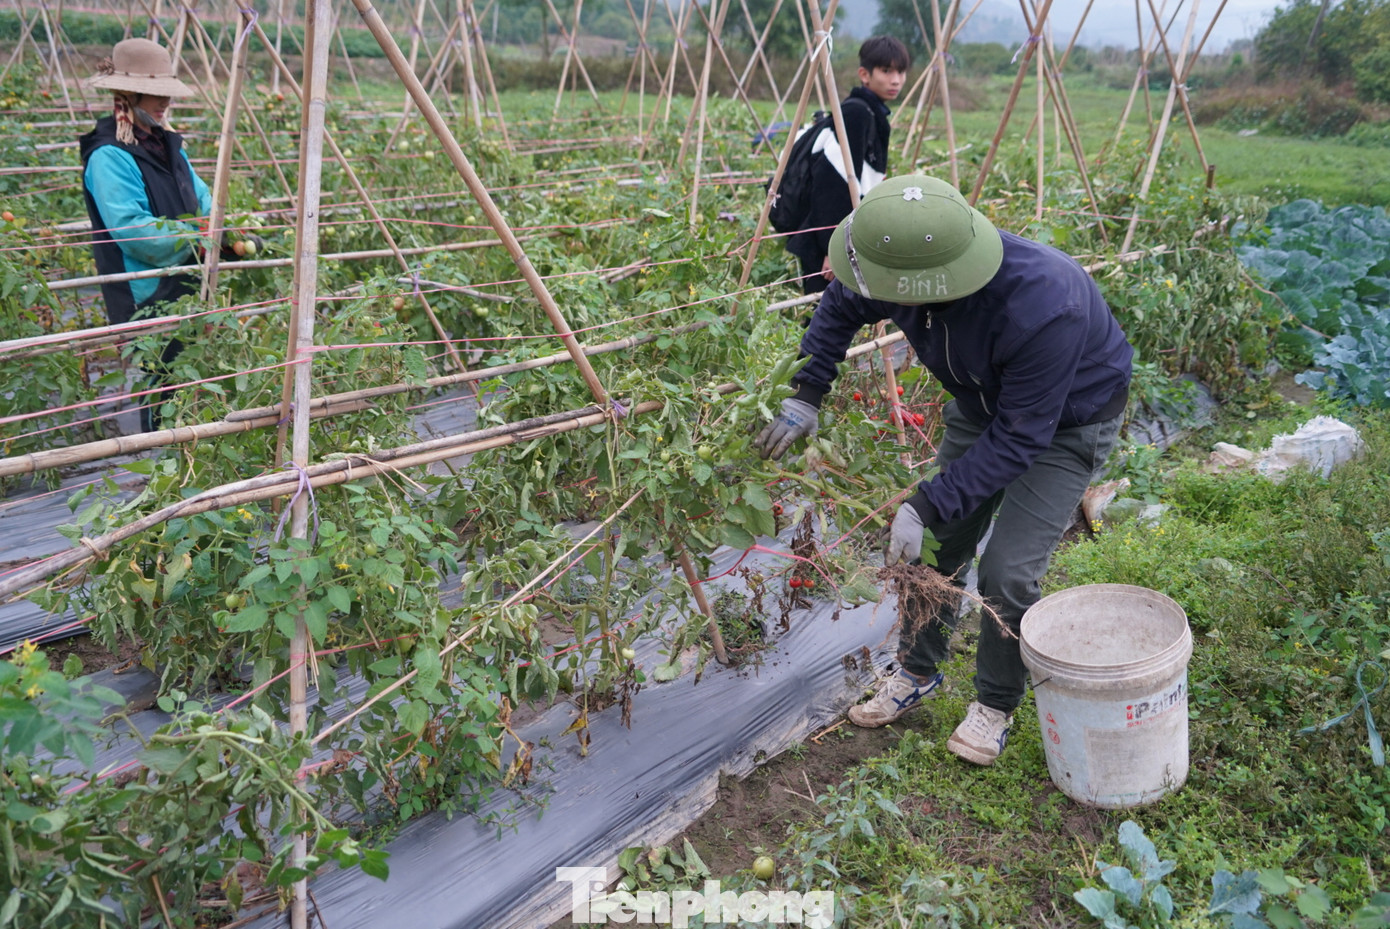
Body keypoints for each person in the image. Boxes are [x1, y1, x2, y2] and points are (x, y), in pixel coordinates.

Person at [754, 175, 1133, 766]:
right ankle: (914, 670)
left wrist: (924, 499)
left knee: (1008, 571)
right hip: (984, 406)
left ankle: (995, 705)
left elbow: (1022, 436)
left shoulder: (1043, 305)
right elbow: (839, 305)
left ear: (944, 280)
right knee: (934, 545)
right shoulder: (896, 269)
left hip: (1064, 422)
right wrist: (807, 392)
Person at [80, 38, 216, 432]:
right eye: (155, 94)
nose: (164, 103)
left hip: (186, 280)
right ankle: (159, 466)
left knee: (192, 376)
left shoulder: (168, 145)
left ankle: (184, 460)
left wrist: (218, 229)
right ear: (128, 94)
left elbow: (202, 198)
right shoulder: (109, 155)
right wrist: (198, 235)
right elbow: (134, 231)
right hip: (147, 292)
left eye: (166, 94)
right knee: (164, 381)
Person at [785, 35, 910, 296]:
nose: (896, 79)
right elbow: (832, 186)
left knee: (831, 313)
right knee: (822, 314)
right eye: (886, 71)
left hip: (843, 235)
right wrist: (834, 251)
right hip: (827, 241)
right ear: (865, 74)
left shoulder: (872, 113)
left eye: (900, 71)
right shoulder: (856, 114)